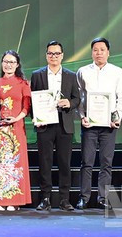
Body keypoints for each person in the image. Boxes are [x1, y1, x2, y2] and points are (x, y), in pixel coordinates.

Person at [76, 37, 122, 211]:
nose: (99, 53)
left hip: (109, 125)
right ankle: (84, 197)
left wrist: (117, 117)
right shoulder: (82, 71)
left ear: (108, 52)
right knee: (87, 162)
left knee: (106, 162)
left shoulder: (117, 72)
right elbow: (80, 98)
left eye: (102, 49)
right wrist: (82, 115)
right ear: (91, 52)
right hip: (89, 125)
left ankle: (103, 197)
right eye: (95, 50)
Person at [30, 41, 80, 212]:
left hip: (64, 124)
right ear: (46, 55)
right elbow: (32, 100)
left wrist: (69, 103)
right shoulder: (37, 75)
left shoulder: (71, 75)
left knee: (64, 163)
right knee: (45, 163)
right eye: (50, 53)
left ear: (62, 55)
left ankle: (64, 199)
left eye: (57, 53)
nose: (54, 57)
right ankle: (45, 198)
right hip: (45, 124)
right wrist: (36, 118)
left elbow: (77, 98)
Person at [0, 50, 32, 211]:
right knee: (0, 162)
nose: (8, 65)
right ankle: (0, 199)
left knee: (15, 163)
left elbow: (27, 107)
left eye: (12, 62)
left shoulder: (23, 83)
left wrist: (16, 118)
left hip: (16, 127)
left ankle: (14, 200)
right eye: (5, 61)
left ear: (17, 64)